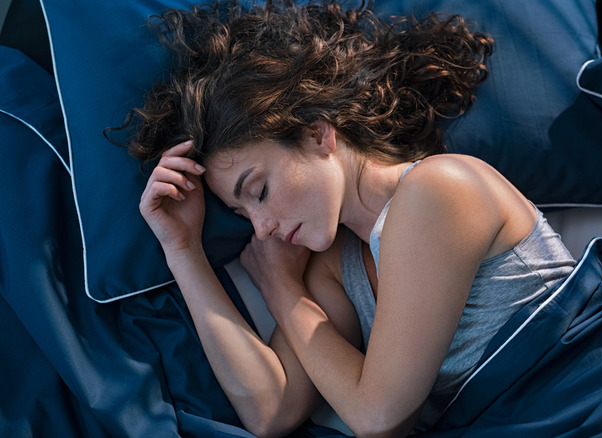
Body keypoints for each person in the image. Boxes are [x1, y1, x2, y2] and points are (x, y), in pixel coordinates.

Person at [124, 1, 576, 436]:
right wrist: (182, 250)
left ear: (317, 134)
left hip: (589, 394)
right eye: (243, 213)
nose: (261, 229)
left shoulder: (439, 189)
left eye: (259, 191)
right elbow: (269, 411)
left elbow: (378, 419)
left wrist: (283, 293)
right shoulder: (337, 267)